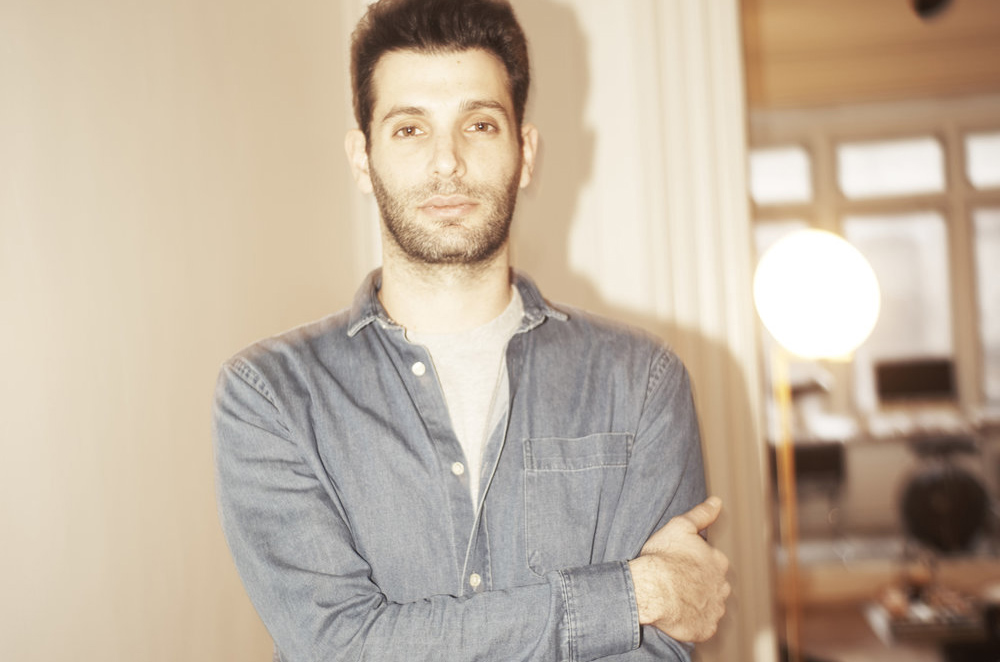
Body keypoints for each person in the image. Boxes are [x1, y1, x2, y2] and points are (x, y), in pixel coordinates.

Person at [212, 0, 730, 660]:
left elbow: (657, 650)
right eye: (410, 129)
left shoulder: (641, 382)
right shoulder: (272, 396)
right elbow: (339, 648)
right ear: (362, 159)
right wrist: (633, 594)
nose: (447, 162)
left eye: (479, 124)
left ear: (526, 151)